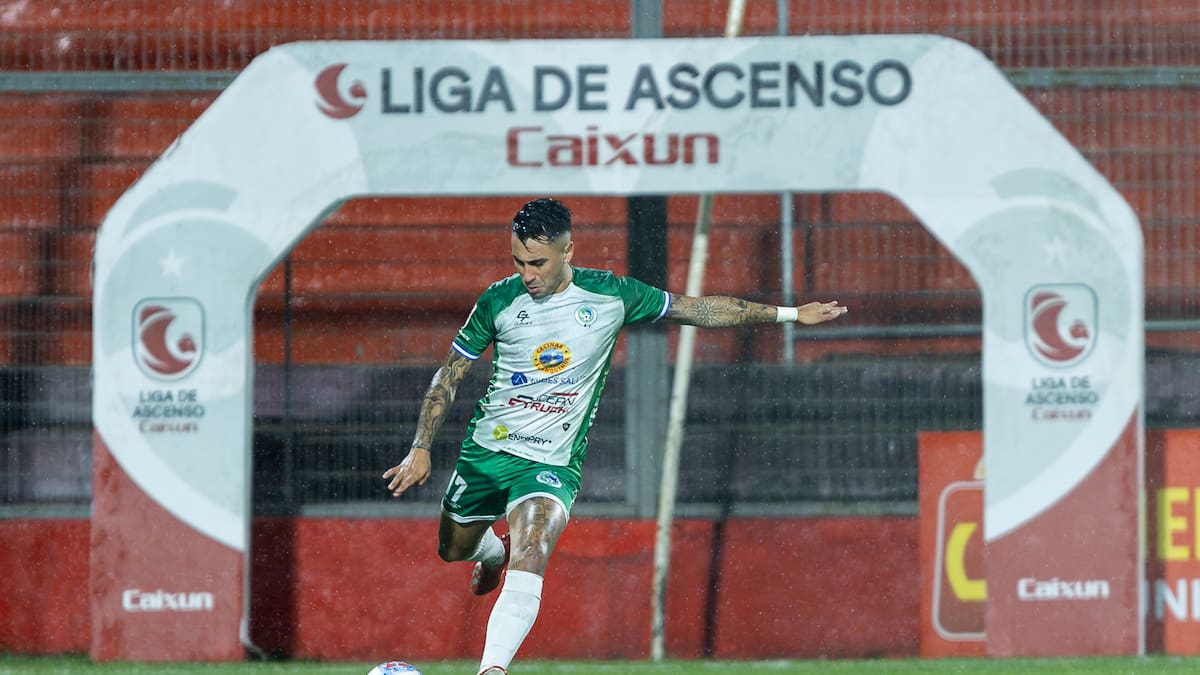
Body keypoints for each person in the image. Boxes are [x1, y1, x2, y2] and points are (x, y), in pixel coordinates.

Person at [382, 197, 848, 675]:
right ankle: (491, 550)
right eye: (518, 262)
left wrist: (790, 315)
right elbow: (450, 373)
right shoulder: (498, 301)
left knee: (535, 545)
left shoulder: (611, 295)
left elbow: (699, 309)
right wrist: (420, 446)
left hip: (553, 461)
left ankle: (492, 670)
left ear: (568, 251)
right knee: (453, 549)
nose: (527, 274)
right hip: (486, 453)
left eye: (538, 262)